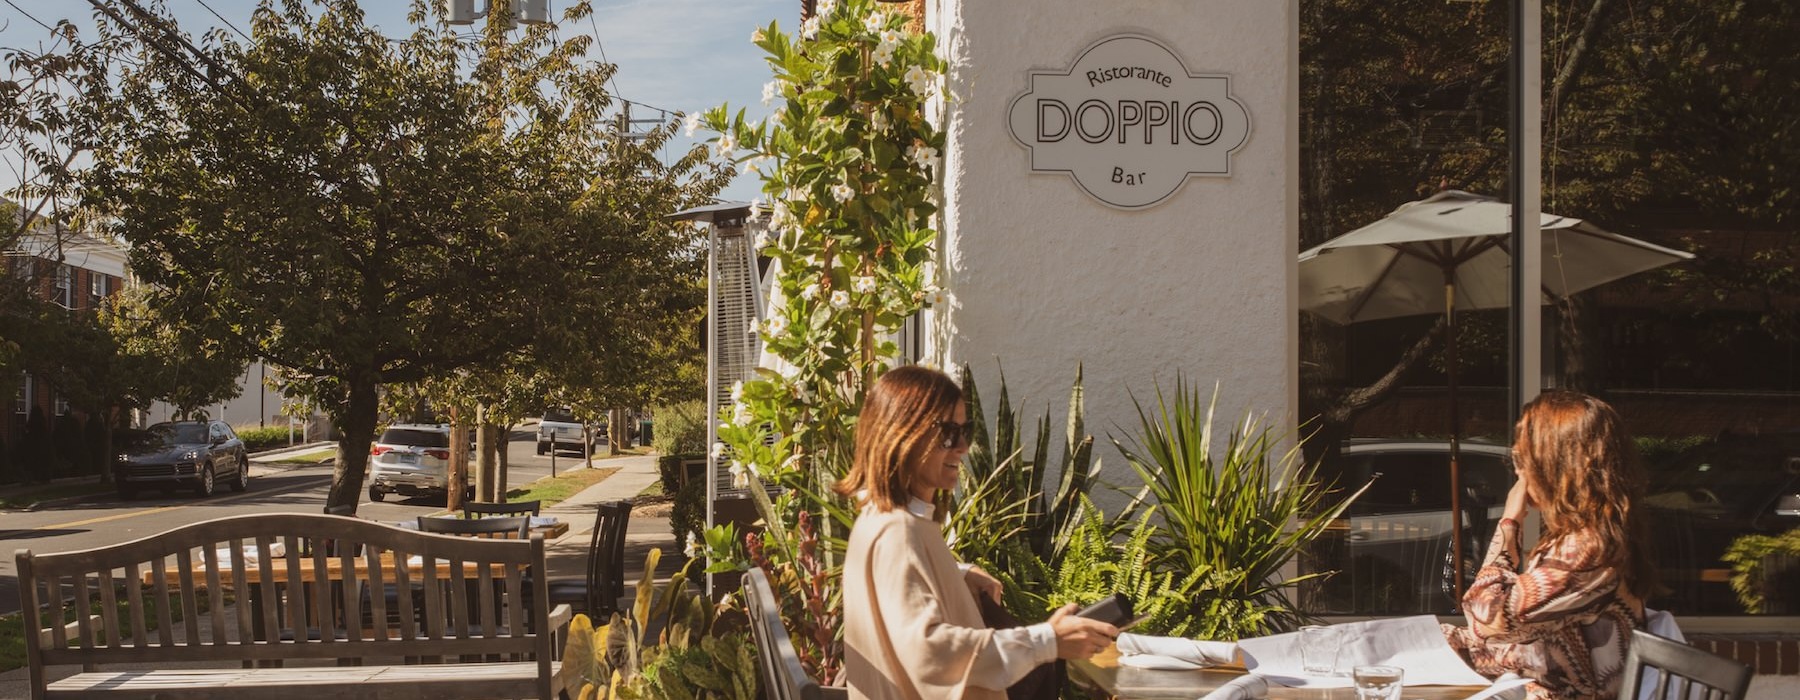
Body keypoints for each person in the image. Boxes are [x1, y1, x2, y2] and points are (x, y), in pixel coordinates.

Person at [838, 365, 1119, 700]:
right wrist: (1048, 641)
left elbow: (894, 587)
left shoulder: (880, 518)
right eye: (947, 433)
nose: (962, 447)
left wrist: (959, 575)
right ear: (903, 436)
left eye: (965, 431)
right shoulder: (898, 532)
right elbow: (931, 653)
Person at [1443, 390, 1656, 700]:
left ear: (1554, 466)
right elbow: (1526, 639)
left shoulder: (1588, 551)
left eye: (1522, 459)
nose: (1518, 471)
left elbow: (1486, 618)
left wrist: (1510, 522)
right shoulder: (1587, 536)